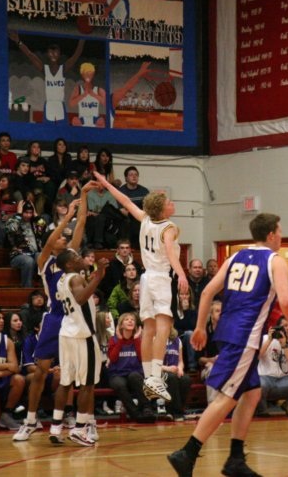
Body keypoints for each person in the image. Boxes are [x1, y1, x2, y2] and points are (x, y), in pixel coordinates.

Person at [168, 213, 288, 477]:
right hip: (245, 336)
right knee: (227, 398)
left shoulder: (234, 257)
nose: (281, 236)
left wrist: (201, 326)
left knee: (252, 393)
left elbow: (207, 292)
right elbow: (285, 300)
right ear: (271, 234)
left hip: (227, 330)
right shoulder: (275, 261)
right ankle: (187, 452)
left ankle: (235, 458)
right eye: (280, 232)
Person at [95, 171, 188, 403]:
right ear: (162, 210)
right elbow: (170, 252)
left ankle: (149, 378)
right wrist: (181, 274)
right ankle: (156, 377)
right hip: (161, 278)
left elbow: (125, 200)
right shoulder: (169, 227)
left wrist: (106, 184)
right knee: (163, 326)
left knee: (148, 328)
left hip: (145, 278)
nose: (172, 203)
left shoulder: (145, 218)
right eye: (168, 202)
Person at [13, 189, 89, 442]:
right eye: (60, 238)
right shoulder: (45, 260)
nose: (64, 240)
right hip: (54, 318)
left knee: (73, 374)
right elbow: (48, 242)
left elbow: (81, 225)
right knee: (40, 372)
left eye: (65, 238)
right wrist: (66, 218)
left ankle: (76, 420)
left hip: (73, 319)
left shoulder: (71, 257)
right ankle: (30, 420)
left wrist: (83, 199)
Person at [50, 249, 106, 445]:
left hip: (67, 333)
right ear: (69, 264)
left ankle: (55, 427)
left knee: (65, 382)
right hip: (82, 335)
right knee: (87, 384)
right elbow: (81, 298)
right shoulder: (75, 278)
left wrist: (94, 276)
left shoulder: (62, 279)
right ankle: (80, 429)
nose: (80, 258)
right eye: (76, 257)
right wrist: (97, 277)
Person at [8, 34, 85, 125]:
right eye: (51, 53)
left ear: (59, 54)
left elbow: (76, 55)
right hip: (49, 105)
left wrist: (82, 39)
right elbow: (30, 55)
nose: (53, 55)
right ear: (48, 54)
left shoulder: (63, 69)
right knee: (47, 129)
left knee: (63, 130)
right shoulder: (45, 69)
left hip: (60, 105)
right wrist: (18, 42)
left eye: (55, 53)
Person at [256, 315, 288, 417]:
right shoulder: (265, 339)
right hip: (265, 379)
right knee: (259, 384)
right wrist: (269, 340)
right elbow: (257, 357)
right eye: (285, 325)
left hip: (284, 380)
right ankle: (262, 410)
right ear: (278, 328)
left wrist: (284, 345)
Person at [4, 202, 40, 287]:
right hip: (18, 255)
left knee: (42, 256)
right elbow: (12, 229)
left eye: (30, 213)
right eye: (26, 212)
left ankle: (43, 285)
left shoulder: (34, 222)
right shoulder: (13, 221)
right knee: (28, 261)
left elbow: (43, 226)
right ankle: (27, 289)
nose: (28, 215)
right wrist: (19, 214)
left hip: (34, 253)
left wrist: (36, 215)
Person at [116, 166, 148, 249]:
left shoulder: (144, 191)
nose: (134, 176)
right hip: (127, 218)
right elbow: (122, 210)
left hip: (141, 218)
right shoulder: (121, 191)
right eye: (131, 175)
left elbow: (148, 209)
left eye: (136, 175)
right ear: (126, 178)